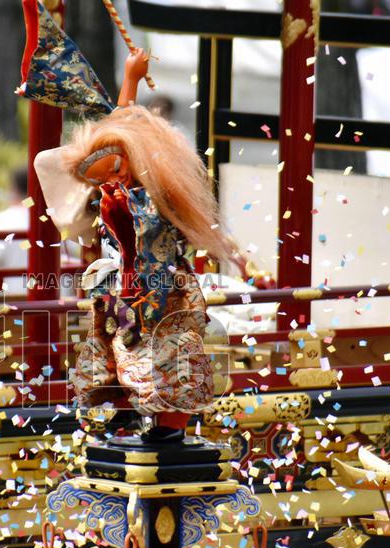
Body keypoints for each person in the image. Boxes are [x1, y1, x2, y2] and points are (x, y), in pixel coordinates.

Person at [19, 2, 238, 443]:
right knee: (117, 352)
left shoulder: (155, 194)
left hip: (163, 288)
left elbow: (127, 132)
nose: (113, 182)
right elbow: (119, 129)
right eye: (105, 179)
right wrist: (130, 79)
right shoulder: (116, 195)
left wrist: (131, 80)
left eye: (117, 171)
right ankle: (125, 413)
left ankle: (169, 426)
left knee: (169, 358)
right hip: (125, 287)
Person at [0, 166, 30, 293]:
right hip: (58, 295)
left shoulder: (1, 220)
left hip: (15, 296)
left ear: (13, 189)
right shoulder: (56, 219)